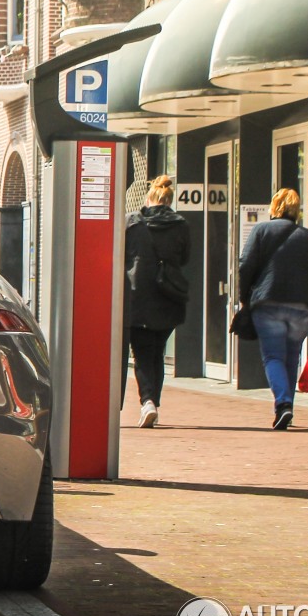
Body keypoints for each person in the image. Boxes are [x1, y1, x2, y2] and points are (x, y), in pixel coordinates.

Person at [238, 188, 308, 430]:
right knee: (291, 356)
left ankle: (283, 404)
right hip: (302, 307)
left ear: (274, 207)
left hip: (269, 303)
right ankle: (287, 409)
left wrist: (246, 298)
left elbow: (246, 265)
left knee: (273, 356)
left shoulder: (261, 231)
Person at [124, 176, 190, 428]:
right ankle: (153, 402)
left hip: (138, 295)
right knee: (157, 353)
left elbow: (122, 256)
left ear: (148, 197)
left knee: (141, 354)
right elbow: (185, 258)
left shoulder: (133, 223)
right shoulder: (181, 225)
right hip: (168, 295)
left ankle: (148, 402)